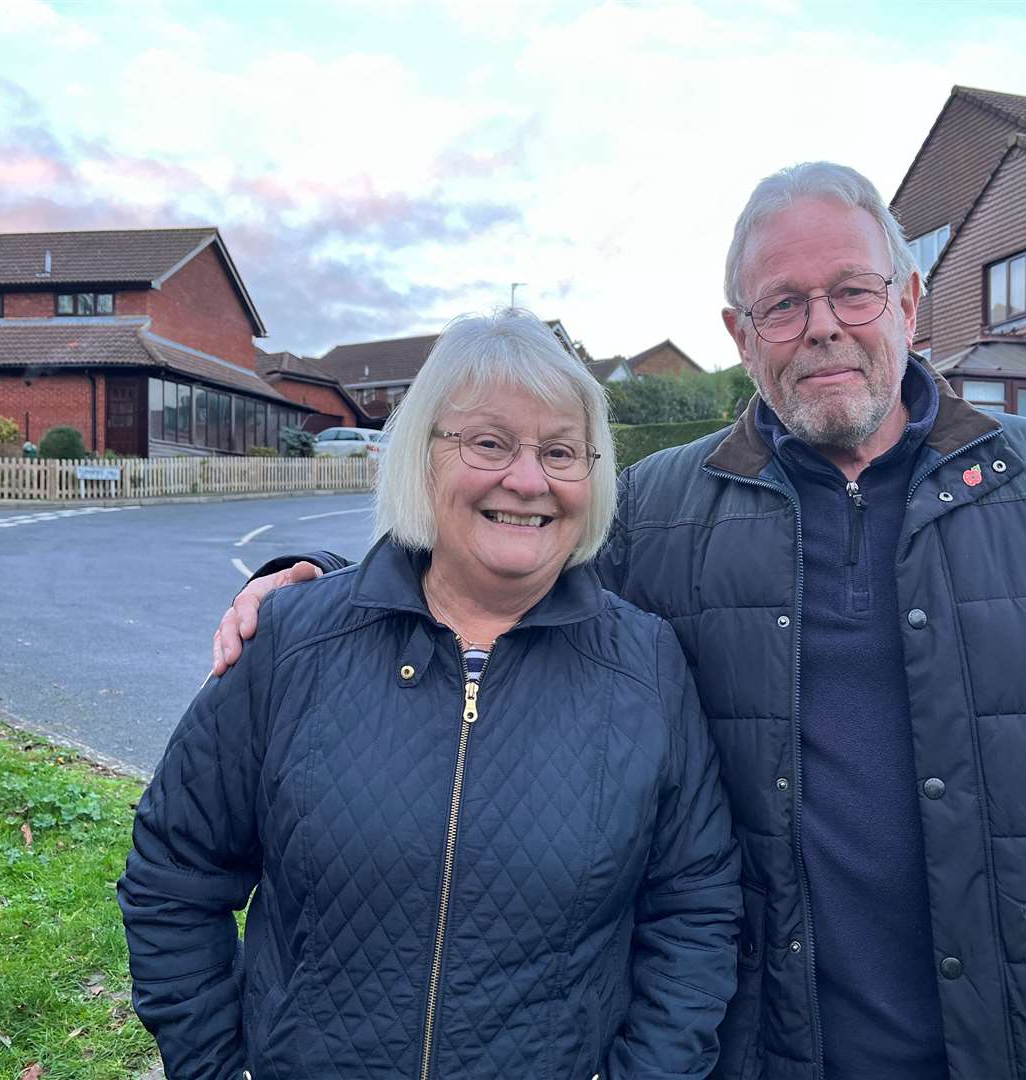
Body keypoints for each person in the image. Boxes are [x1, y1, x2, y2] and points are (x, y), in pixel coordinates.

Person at [216, 163, 1026, 1080]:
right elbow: (490, 586)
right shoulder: (658, 511)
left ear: (906, 302)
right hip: (756, 1043)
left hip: (1007, 1041)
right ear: (740, 332)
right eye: (784, 305)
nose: (822, 327)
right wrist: (321, 588)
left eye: (853, 292)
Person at [123, 310, 742, 1080]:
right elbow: (173, 874)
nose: (526, 478)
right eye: (488, 442)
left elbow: (695, 915)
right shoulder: (292, 643)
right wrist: (215, 1066)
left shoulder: (646, 668)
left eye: (559, 451)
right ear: (422, 456)